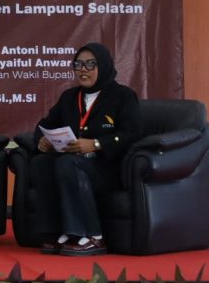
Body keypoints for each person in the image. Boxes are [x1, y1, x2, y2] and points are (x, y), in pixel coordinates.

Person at [30, 43, 141, 257]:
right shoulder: (69, 97)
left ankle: (93, 236)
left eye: (90, 64)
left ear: (104, 66)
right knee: (41, 163)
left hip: (106, 169)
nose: (83, 70)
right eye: (79, 64)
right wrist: (42, 140)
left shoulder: (123, 96)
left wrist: (96, 144)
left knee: (67, 162)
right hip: (72, 164)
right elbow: (45, 124)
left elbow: (132, 133)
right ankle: (57, 232)